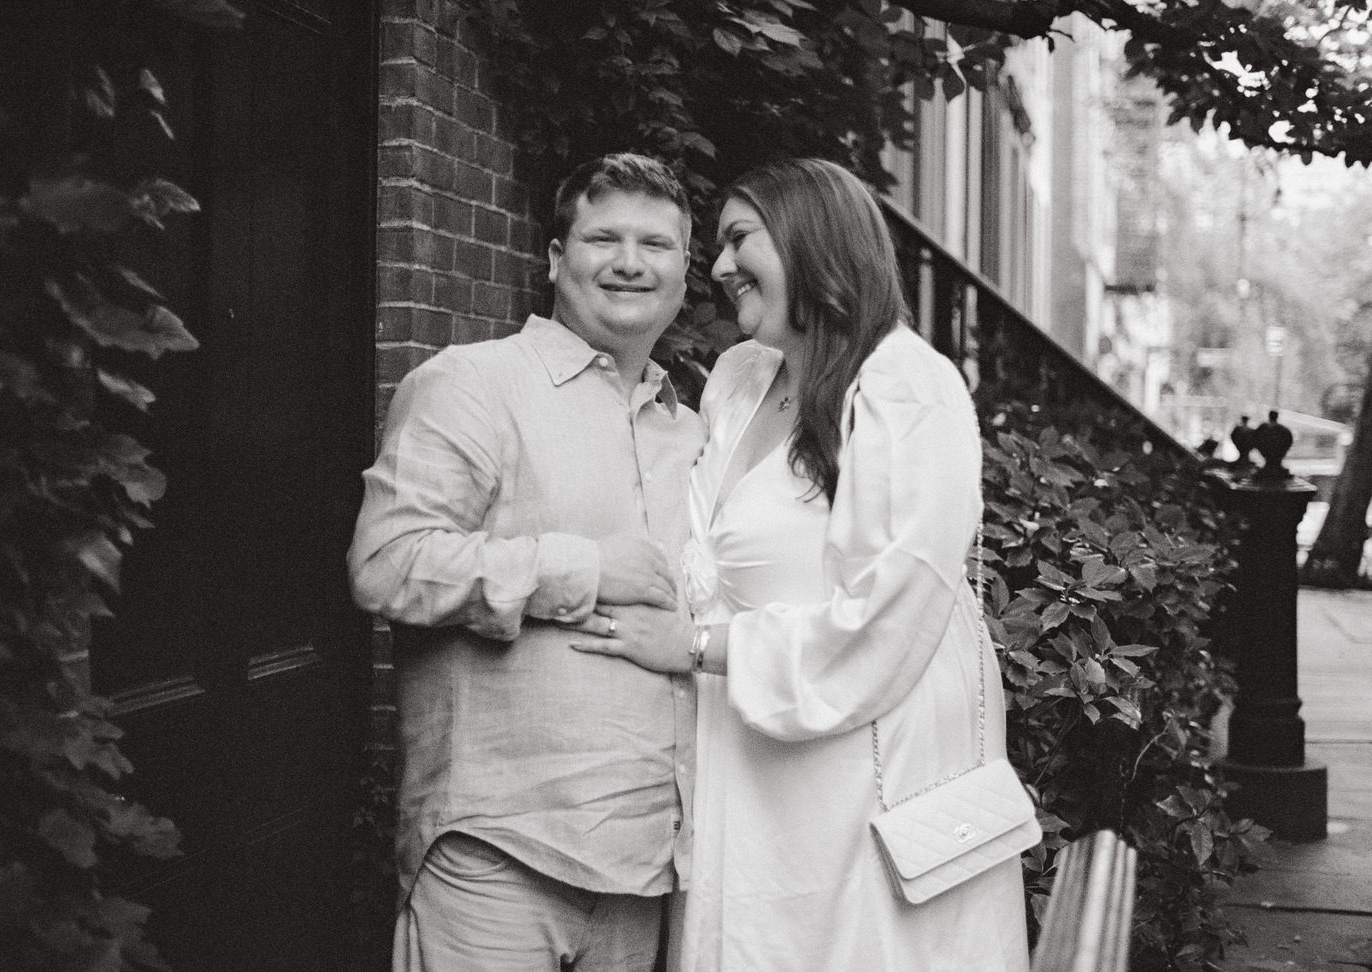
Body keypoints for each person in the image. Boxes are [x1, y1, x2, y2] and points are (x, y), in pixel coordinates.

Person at [568, 158, 1032, 970]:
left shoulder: (905, 391)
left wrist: (702, 650)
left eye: (739, 238)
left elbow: (892, 616)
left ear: (815, 239)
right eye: (715, 246)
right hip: (739, 771)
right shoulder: (742, 381)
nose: (717, 267)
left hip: (850, 787)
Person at [347, 153, 705, 972]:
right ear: (554, 258)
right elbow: (387, 561)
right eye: (602, 237)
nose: (628, 262)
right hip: (499, 854)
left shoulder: (696, 429)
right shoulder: (472, 385)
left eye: (656, 244)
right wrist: (580, 570)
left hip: (648, 867)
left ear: (685, 272)